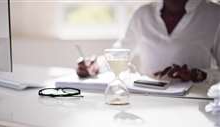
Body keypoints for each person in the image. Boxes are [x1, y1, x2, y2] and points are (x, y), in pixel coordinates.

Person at [77, 0, 220, 82]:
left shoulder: (214, 15)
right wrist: (95, 66)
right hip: (148, 97)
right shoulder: (143, 14)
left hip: (196, 101)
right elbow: (121, 51)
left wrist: (199, 75)